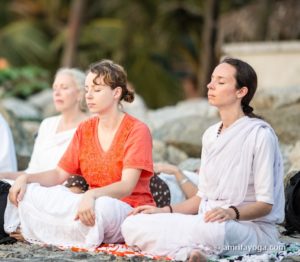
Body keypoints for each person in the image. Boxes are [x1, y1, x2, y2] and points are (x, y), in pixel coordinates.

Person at [121, 57, 284, 261]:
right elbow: (201, 199)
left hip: (247, 229)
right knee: (133, 223)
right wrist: (162, 211)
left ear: (241, 92)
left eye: (221, 81)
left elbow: (265, 204)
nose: (210, 85)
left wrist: (231, 213)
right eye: (211, 79)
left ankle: (188, 251)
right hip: (205, 220)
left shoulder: (260, 135)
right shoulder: (210, 134)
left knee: (214, 231)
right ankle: (193, 254)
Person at [3, 59, 154, 249]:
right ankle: (52, 230)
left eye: (97, 90)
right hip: (88, 204)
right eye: (87, 89)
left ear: (116, 93)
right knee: (35, 193)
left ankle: (41, 231)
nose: (89, 95)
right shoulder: (85, 128)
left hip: (126, 209)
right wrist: (26, 178)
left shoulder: (137, 130)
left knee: (103, 208)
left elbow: (127, 186)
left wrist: (90, 195)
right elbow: (58, 174)